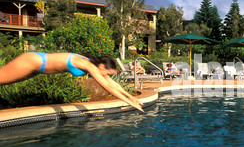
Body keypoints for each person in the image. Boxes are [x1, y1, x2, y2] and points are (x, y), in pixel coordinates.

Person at [0, 52, 144, 112]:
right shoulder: (88, 65)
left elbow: (113, 84)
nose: (107, 76)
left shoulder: (94, 65)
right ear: (102, 67)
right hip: (34, 62)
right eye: (107, 73)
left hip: (37, 69)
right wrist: (131, 104)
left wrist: (133, 98)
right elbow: (107, 87)